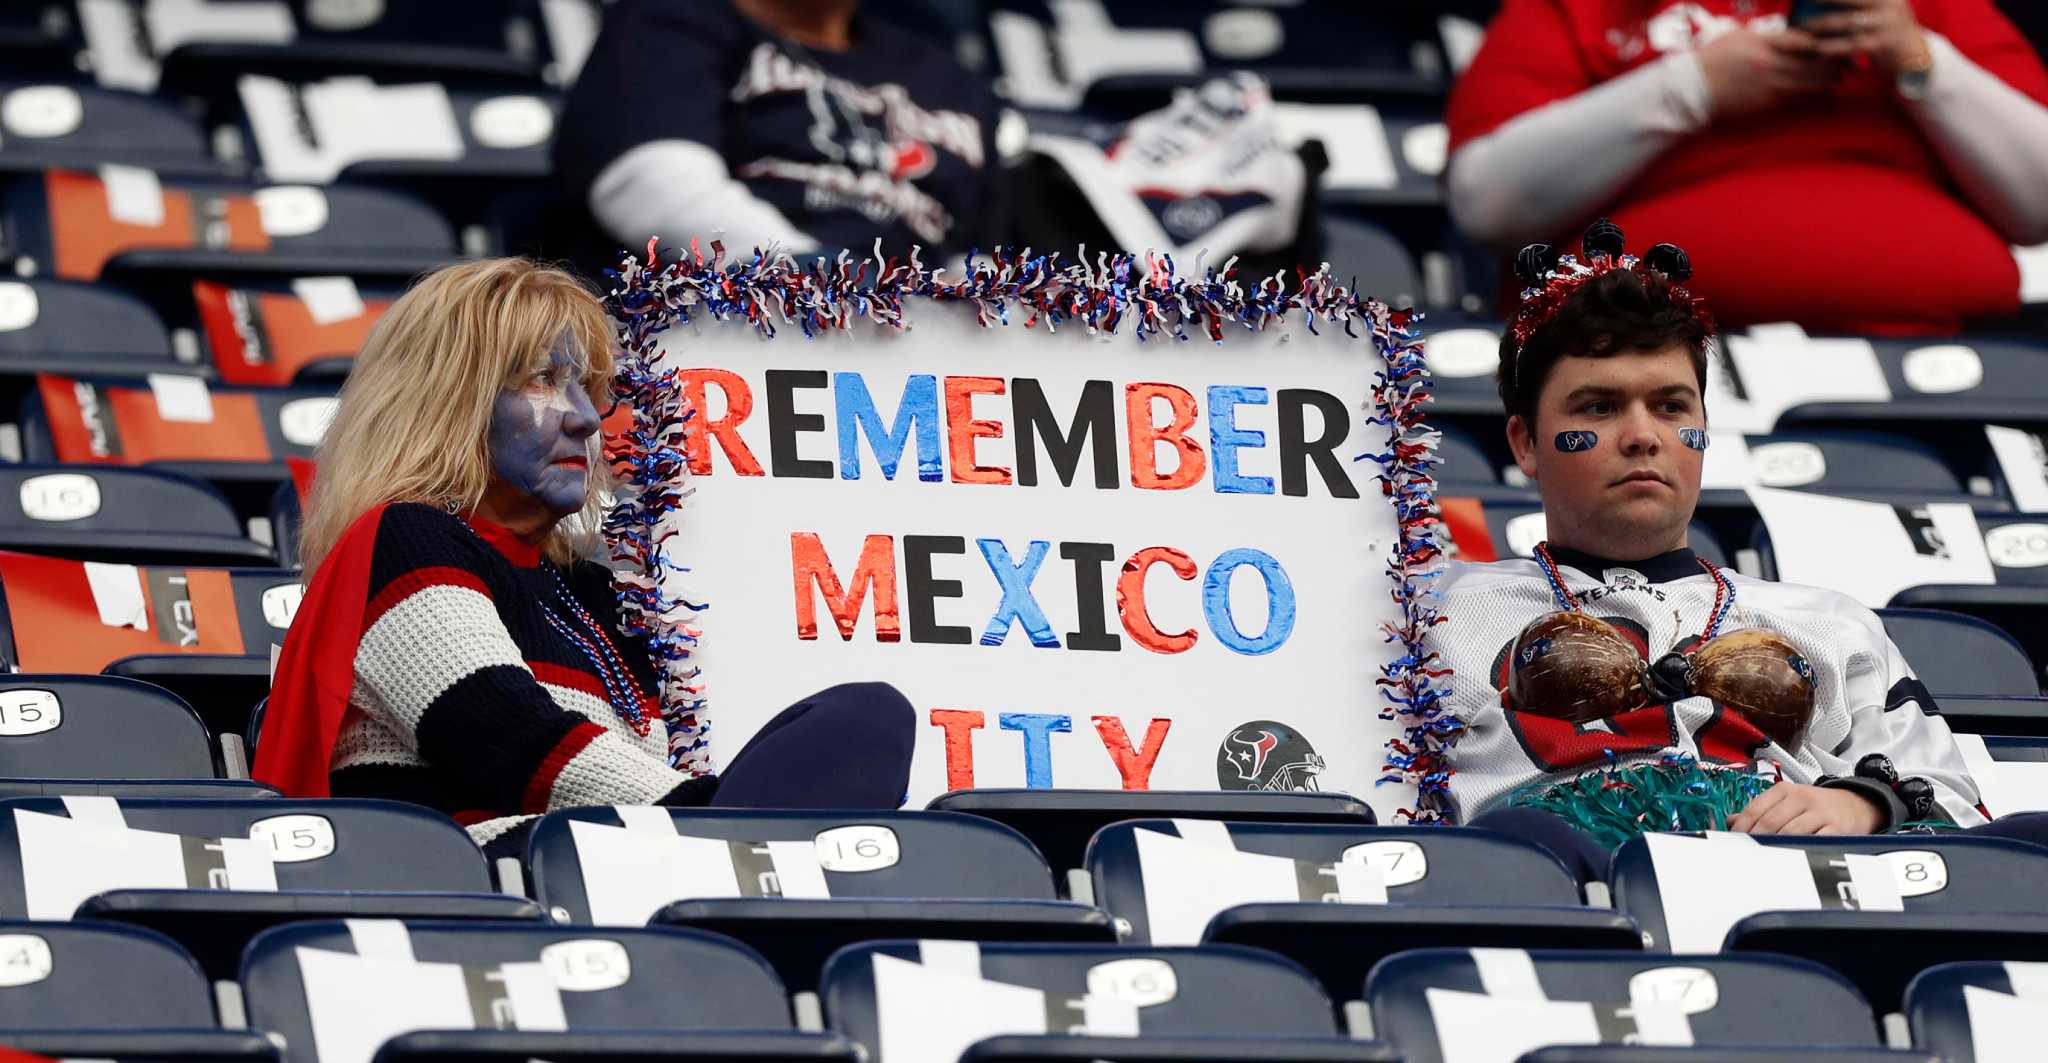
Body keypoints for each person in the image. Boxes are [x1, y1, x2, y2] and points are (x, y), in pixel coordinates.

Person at [1435, 220, 2048, 882]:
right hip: (1559, 896)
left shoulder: (1830, 622)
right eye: (1599, 407)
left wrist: (1862, 802)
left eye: (1671, 406)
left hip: (1799, 890)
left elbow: (1957, 804)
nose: (1643, 435)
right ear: (1525, 442)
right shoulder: (1439, 614)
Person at [252, 257, 915, 858]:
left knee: (865, 721)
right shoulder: (406, 537)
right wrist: (711, 824)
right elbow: (504, 736)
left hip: (634, 867)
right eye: (545, 379)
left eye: (587, 388)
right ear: (450, 401)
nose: (587, 419)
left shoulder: (592, 591)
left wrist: (721, 820)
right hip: (493, 886)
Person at [1445, 0, 2048, 334]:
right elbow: (1489, 201)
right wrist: (1692, 88)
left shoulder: (1929, 8)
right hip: (1641, 356)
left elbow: (2038, 203)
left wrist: (1920, 63)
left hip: (1938, 354)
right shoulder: (1581, 9)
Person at [551, 0, 1007, 273]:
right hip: (720, 339)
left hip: (924, 356)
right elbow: (650, 184)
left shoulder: (952, 81)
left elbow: (983, 257)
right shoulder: (673, 21)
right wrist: (819, 280)